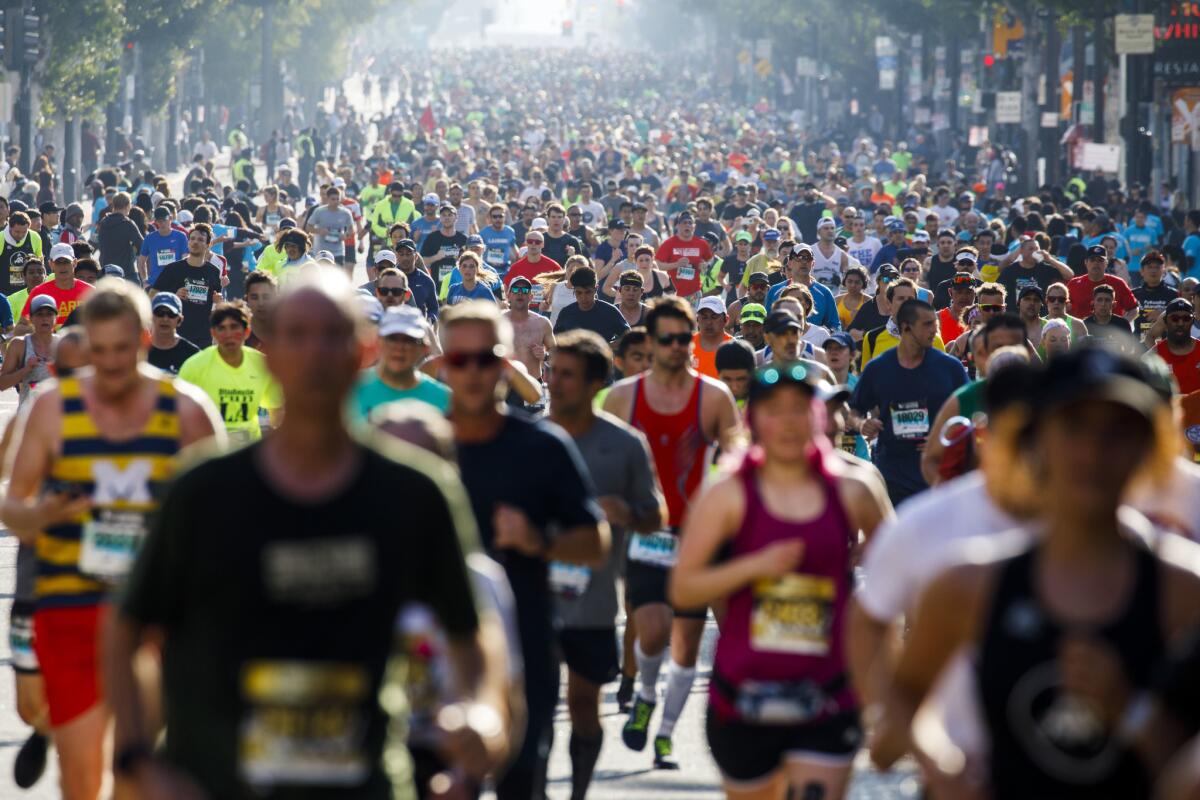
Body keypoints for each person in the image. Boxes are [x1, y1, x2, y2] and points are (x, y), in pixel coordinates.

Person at [106, 267, 511, 799]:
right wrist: (137, 759)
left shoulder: (415, 492)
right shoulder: (203, 490)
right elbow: (127, 628)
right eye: (297, 335)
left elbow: (472, 629)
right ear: (269, 352)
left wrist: (481, 714)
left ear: (362, 351)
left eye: (333, 336)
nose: (315, 353)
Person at [870, 346, 1200, 799]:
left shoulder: (1186, 591)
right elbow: (900, 708)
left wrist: (1131, 711)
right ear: (1034, 441)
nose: (1093, 452)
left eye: (1118, 431)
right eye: (1073, 427)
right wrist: (942, 766)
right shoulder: (969, 583)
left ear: (1150, 447)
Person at [1, 278, 222, 800]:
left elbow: (224, 515)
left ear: (145, 339)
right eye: (98, 352)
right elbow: (10, 500)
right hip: (69, 605)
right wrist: (38, 515)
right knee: (81, 780)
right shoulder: (53, 407)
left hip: (154, 618)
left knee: (136, 776)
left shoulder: (187, 410)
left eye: (122, 349)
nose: (110, 365)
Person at [671, 361, 891, 800]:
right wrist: (754, 567)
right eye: (774, 409)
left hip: (828, 694)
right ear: (751, 419)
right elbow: (683, 588)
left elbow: (901, 570)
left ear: (819, 415)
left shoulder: (854, 487)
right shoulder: (727, 493)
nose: (788, 422)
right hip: (744, 699)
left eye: (799, 408)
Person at [442, 300, 608, 800]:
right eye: (458, 360)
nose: (473, 372)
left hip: (524, 644)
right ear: (443, 364)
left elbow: (595, 543)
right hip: (435, 655)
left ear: (506, 363)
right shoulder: (417, 444)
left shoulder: (542, 446)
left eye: (486, 359)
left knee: (521, 784)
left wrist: (539, 541)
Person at [603, 296, 740, 769]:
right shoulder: (624, 396)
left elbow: (739, 455)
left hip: (697, 534)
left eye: (685, 338)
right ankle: (644, 694)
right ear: (653, 340)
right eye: (669, 339)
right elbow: (603, 457)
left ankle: (664, 734)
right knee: (655, 630)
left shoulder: (715, 397)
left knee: (685, 648)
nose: (679, 346)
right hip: (647, 530)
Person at [547, 330, 666, 800]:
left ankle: (577, 791)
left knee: (581, 702)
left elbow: (655, 515)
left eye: (568, 375)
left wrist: (627, 513)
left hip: (592, 600)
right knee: (529, 704)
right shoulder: (528, 435)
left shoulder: (624, 444)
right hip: (530, 595)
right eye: (553, 372)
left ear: (596, 382)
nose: (556, 383)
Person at [851, 298, 969, 506]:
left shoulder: (950, 368)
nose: (934, 330)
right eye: (927, 324)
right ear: (905, 327)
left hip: (938, 474)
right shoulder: (878, 368)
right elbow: (853, 411)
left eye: (935, 324)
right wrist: (862, 424)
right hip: (892, 474)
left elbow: (970, 412)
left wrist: (946, 436)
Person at [177, 301, 283, 445]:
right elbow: (178, 417)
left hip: (249, 454)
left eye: (234, 327)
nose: (229, 335)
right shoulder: (194, 367)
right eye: (222, 328)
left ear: (247, 331)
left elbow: (277, 412)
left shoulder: (262, 365)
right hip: (209, 454)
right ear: (213, 333)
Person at [350, 305, 450, 421]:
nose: (399, 347)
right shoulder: (349, 390)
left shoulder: (444, 400)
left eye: (409, 340)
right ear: (378, 342)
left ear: (425, 348)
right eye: (392, 338)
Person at [151, 223, 223, 348]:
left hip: (203, 336)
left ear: (208, 245)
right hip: (176, 334)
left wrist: (218, 302)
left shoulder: (213, 272)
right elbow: (152, 295)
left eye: (200, 240)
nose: (195, 242)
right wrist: (174, 295)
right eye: (193, 239)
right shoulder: (173, 269)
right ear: (188, 242)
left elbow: (216, 305)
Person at [859, 277, 946, 369]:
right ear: (889, 304)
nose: (906, 303)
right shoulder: (872, 338)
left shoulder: (933, 339)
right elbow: (866, 377)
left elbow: (943, 376)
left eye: (910, 299)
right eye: (901, 298)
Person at [0, 294, 58, 401]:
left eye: (49, 314)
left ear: (56, 318)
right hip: (28, 414)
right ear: (30, 318)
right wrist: (25, 370)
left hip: (57, 414)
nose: (44, 319)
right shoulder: (19, 345)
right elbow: (2, 384)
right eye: (40, 314)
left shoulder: (63, 344)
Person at [553, 265, 631, 342]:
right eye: (579, 293)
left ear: (596, 289)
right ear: (574, 290)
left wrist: (608, 347)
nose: (583, 297)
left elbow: (629, 337)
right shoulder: (566, 313)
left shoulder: (610, 312)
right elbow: (555, 341)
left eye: (588, 292)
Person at [23, 244, 93, 329]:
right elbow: (21, 327)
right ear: (51, 264)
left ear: (74, 263)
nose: (62, 266)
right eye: (58, 262)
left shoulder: (90, 292)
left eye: (66, 262)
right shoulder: (39, 292)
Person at [1067, 244, 1139, 320]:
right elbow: (1063, 308)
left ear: (1106, 263)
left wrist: (1123, 324)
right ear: (1086, 262)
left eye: (1100, 260)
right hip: (1081, 330)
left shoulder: (1118, 283)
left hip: (1110, 330)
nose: (1096, 263)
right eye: (1092, 260)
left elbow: (1133, 308)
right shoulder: (1074, 284)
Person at [654, 211, 711, 302]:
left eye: (690, 223)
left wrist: (704, 266)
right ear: (678, 226)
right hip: (673, 293)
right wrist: (676, 264)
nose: (687, 225)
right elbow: (657, 265)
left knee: (694, 317)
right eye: (684, 223)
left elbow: (709, 261)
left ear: (694, 227)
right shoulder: (669, 243)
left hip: (694, 293)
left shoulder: (702, 244)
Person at [1148, 297, 1200, 395]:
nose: (1180, 323)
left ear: (1192, 321)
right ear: (1165, 321)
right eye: (1174, 318)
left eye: (1186, 318)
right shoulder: (1153, 356)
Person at [504, 230, 561, 313]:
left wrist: (549, 301)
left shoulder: (553, 266)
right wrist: (508, 302)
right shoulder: (516, 267)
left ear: (542, 245)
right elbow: (506, 287)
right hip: (522, 309)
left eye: (537, 242)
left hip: (546, 310)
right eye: (530, 241)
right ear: (526, 243)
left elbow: (563, 287)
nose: (533, 244)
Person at [145, 293, 199, 375]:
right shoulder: (138, 351)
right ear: (151, 316)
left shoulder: (193, 355)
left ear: (180, 320)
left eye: (171, 314)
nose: (165, 319)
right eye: (160, 313)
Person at [305, 185, 356, 270]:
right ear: (327, 199)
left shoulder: (345, 213)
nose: (336, 201)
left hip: (338, 252)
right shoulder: (319, 211)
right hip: (321, 251)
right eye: (333, 199)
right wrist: (319, 230)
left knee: (337, 278)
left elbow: (351, 229)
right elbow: (308, 227)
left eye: (337, 199)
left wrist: (345, 235)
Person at [95, 193, 142, 284]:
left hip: (106, 272)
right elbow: (142, 245)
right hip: (127, 273)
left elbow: (96, 243)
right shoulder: (128, 223)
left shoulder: (103, 223)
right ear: (127, 205)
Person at [137, 206, 188, 285]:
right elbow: (141, 262)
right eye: (159, 221)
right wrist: (144, 281)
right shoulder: (149, 238)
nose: (162, 223)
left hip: (175, 283)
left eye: (164, 220)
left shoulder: (181, 236)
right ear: (155, 221)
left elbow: (185, 260)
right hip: (155, 283)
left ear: (170, 218)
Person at [692, 295, 733, 379]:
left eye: (714, 317)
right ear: (697, 320)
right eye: (704, 317)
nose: (709, 322)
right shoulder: (686, 345)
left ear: (726, 320)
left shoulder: (735, 348)